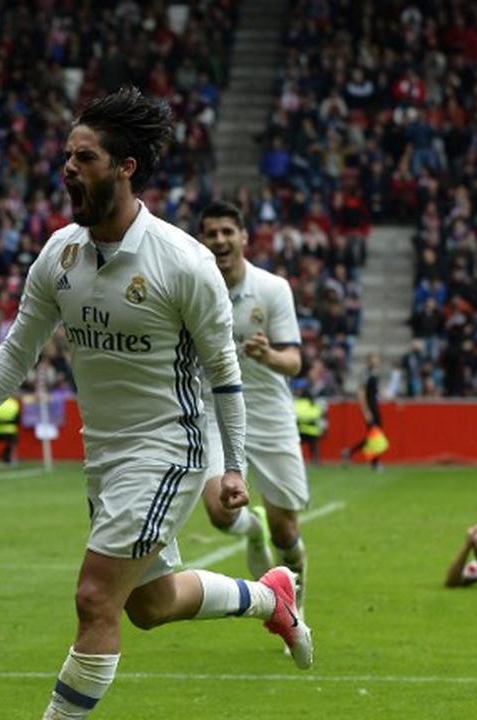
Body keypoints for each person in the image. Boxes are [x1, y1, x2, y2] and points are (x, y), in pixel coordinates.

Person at [0, 87, 312, 720]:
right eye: (68, 156)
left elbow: (224, 373)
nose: (68, 169)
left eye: (85, 158)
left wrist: (234, 465)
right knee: (149, 605)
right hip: (104, 451)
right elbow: (18, 347)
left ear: (125, 167)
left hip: (170, 446)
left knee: (94, 599)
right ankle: (271, 598)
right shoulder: (60, 253)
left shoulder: (183, 262)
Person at [196, 201, 312, 612]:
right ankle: (251, 529)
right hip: (213, 411)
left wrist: (268, 356)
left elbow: (294, 362)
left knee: (287, 529)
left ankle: (294, 609)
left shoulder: (272, 289)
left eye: (228, 231)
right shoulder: (190, 288)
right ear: (202, 242)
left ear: (244, 237)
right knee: (219, 512)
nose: (220, 240)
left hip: (268, 410)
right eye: (212, 233)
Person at [343, 352, 387, 469]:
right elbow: (361, 393)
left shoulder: (375, 373)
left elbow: (376, 391)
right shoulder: (366, 374)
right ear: (369, 360)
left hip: (375, 406)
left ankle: (349, 452)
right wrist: (366, 411)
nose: (376, 361)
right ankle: (375, 462)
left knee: (375, 436)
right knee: (375, 435)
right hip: (370, 407)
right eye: (374, 358)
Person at [295, 390, 327, 465]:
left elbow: (294, 415)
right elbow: (318, 415)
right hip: (312, 432)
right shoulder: (313, 404)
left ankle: (296, 461)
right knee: (314, 447)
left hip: (300, 430)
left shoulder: (296, 403)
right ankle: (316, 461)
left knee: (296, 447)